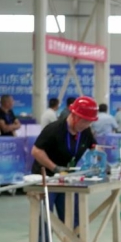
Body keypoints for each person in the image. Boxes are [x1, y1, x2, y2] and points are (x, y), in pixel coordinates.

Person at [30, 96, 98, 227]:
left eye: (90, 122)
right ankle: (44, 241)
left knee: (72, 218)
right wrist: (55, 168)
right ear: (75, 116)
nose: (87, 125)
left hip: (67, 178)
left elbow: (94, 147)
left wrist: (101, 161)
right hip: (47, 178)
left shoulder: (85, 131)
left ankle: (74, 240)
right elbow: (36, 151)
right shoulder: (54, 129)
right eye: (85, 121)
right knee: (45, 219)